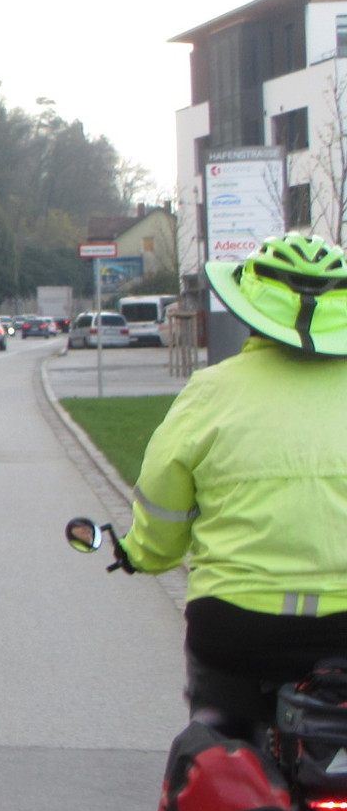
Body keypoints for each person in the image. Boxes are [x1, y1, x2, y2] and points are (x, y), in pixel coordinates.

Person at [117, 232, 347, 737]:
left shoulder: (211, 393)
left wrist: (144, 554)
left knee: (219, 742)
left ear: (248, 307)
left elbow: (163, 494)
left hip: (237, 628)